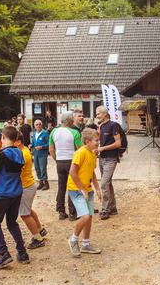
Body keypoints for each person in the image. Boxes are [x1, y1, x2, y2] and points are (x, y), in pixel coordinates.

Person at [0, 126, 29, 268]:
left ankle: (3, 253)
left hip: (2, 193)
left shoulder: (1, 155)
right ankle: (22, 253)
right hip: (16, 192)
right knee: (12, 222)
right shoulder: (20, 153)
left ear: (3, 138)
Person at [67, 128, 102, 258]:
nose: (98, 142)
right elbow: (72, 172)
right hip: (76, 189)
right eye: (96, 140)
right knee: (85, 216)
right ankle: (73, 240)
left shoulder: (92, 153)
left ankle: (86, 244)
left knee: (90, 216)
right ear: (87, 141)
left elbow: (91, 172)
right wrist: (81, 188)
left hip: (87, 189)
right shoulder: (80, 153)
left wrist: (97, 188)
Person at [14, 135, 47, 250]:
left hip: (26, 186)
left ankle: (38, 239)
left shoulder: (22, 153)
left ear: (18, 142)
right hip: (28, 185)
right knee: (28, 210)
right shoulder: (24, 150)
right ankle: (40, 229)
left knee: (24, 214)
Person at [49, 112, 81, 220]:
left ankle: (61, 211)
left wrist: (56, 159)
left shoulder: (53, 131)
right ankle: (72, 212)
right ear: (69, 121)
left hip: (60, 161)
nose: (73, 120)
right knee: (72, 186)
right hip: (71, 161)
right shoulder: (74, 132)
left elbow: (51, 150)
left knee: (61, 186)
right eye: (72, 119)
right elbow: (80, 149)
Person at [95, 105, 121, 220]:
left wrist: (103, 149)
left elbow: (118, 143)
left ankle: (105, 209)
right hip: (102, 158)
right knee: (108, 183)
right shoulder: (101, 126)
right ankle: (113, 208)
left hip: (111, 158)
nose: (97, 116)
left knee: (104, 183)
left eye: (98, 114)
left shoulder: (113, 125)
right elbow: (101, 142)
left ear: (105, 114)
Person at [31, 119, 50, 190]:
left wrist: (42, 146)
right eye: (36, 124)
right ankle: (41, 182)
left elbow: (49, 144)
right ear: (34, 126)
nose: (38, 126)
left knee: (43, 168)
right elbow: (33, 143)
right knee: (37, 168)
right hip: (36, 153)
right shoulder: (34, 134)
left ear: (42, 125)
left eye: (39, 124)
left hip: (43, 154)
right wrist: (31, 145)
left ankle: (46, 184)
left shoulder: (45, 133)